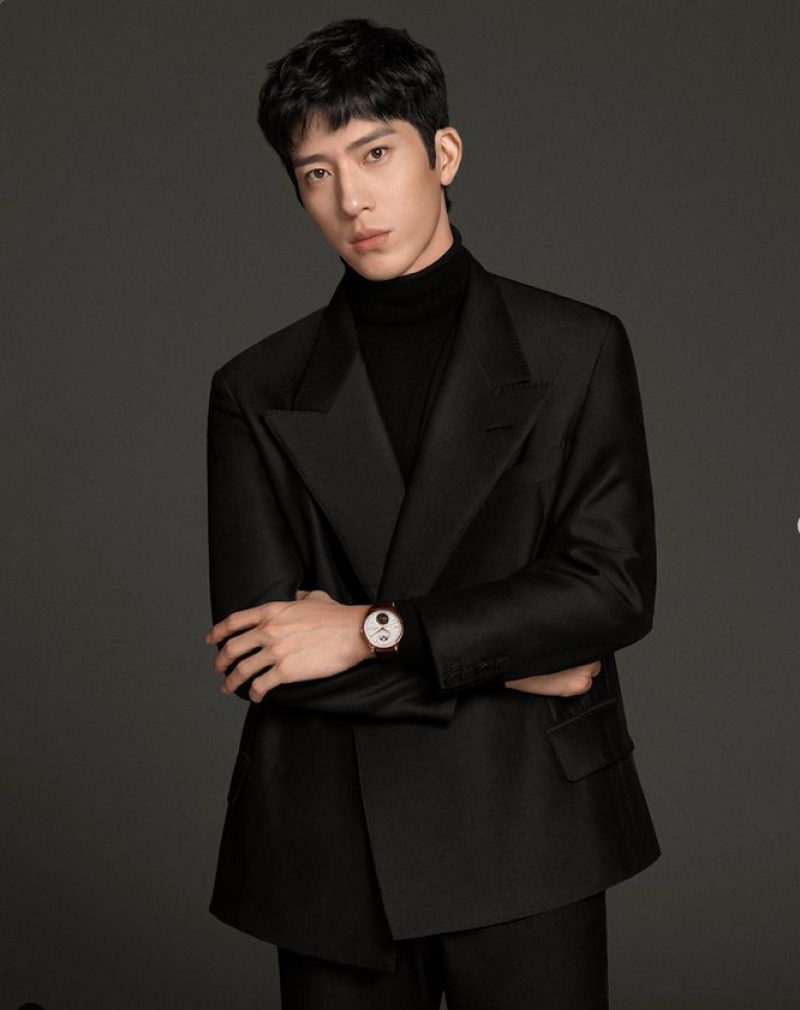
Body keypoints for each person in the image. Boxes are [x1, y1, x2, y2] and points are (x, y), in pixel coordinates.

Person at [204, 17, 661, 1010]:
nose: (351, 199)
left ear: (442, 153)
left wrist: (368, 630)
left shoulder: (576, 348)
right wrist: (504, 656)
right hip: (331, 851)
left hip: (528, 829)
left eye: (375, 153)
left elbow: (610, 592)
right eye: (316, 172)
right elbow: (263, 655)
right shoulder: (255, 387)